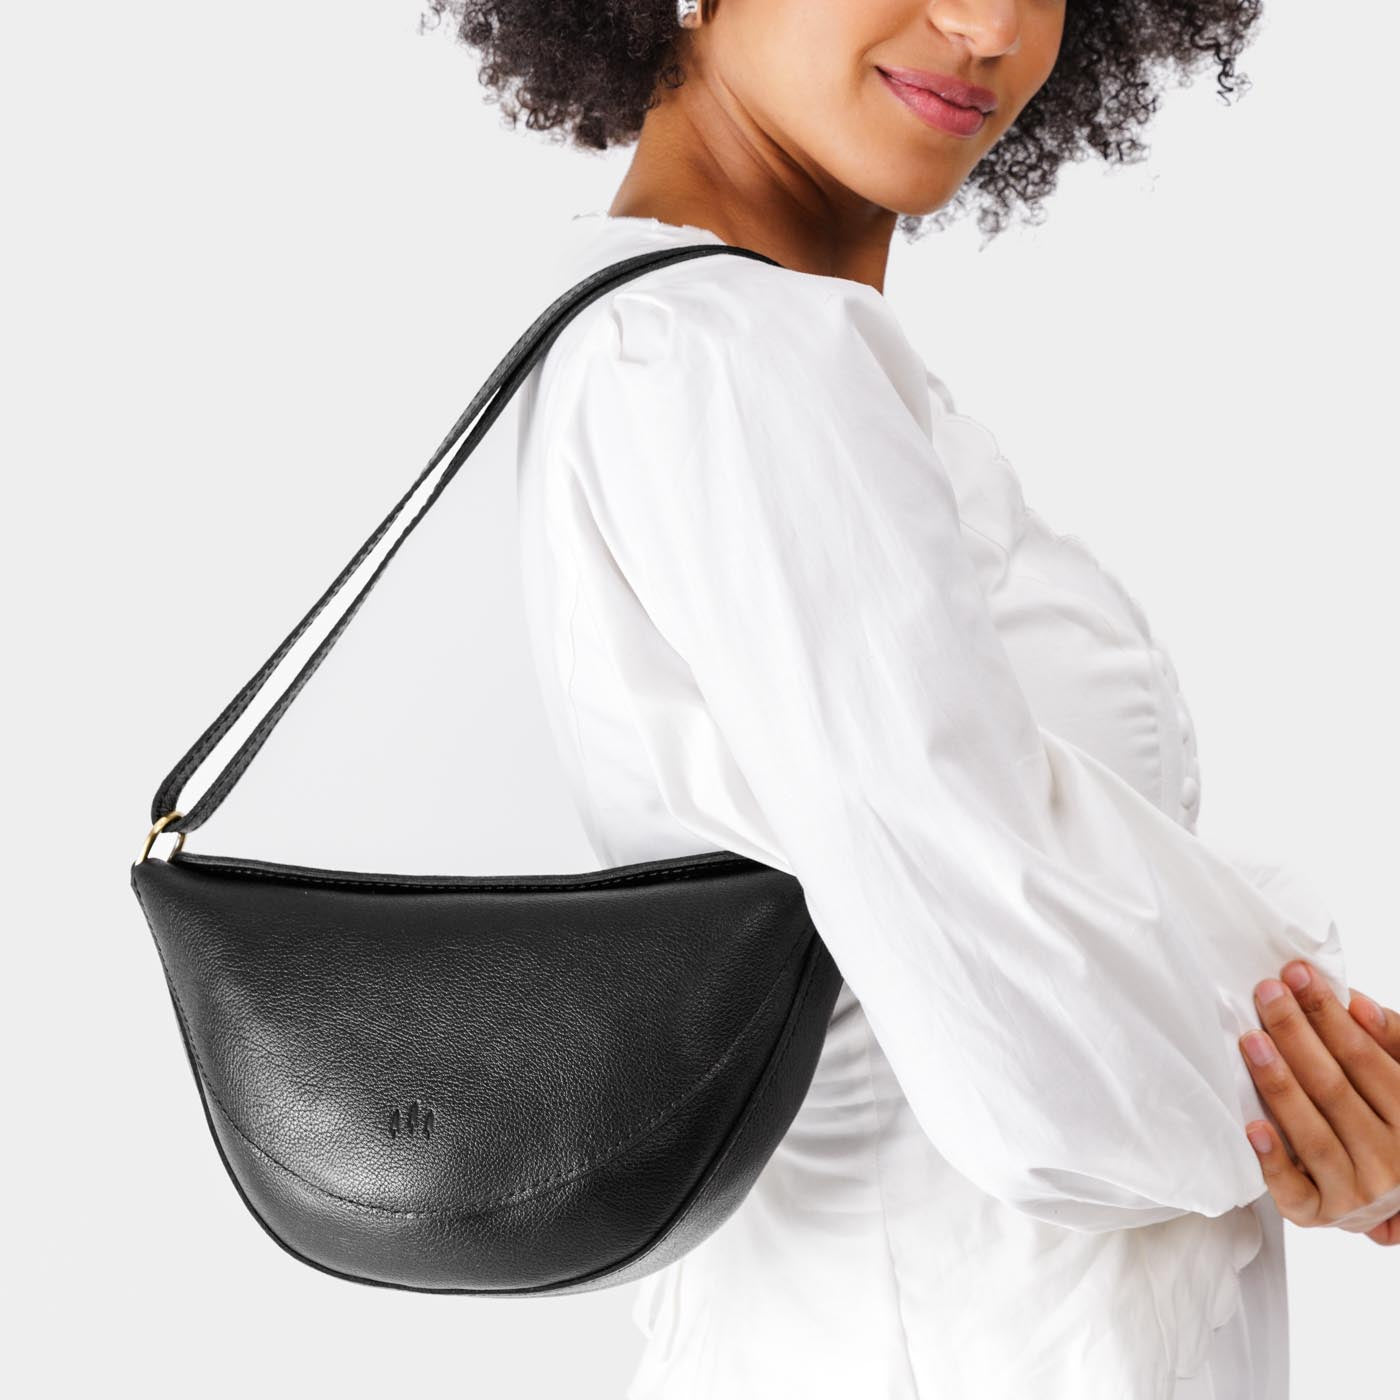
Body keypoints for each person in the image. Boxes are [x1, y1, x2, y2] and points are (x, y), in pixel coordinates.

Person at [432, 0, 1400, 1394]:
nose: (988, 24)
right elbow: (1040, 1057)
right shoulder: (727, 363)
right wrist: (1332, 1094)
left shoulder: (722, 342)